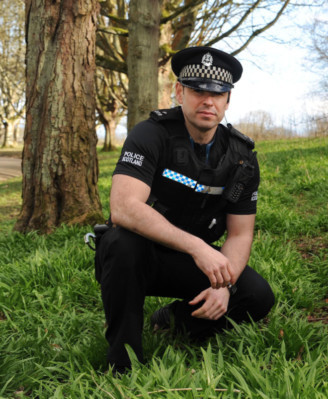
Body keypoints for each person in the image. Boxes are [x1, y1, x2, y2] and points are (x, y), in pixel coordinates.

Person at [94, 46, 275, 372]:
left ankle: (174, 322)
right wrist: (196, 247)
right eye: (198, 91)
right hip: (140, 256)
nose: (208, 101)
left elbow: (240, 234)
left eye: (218, 93)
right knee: (122, 243)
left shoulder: (242, 157)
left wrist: (226, 286)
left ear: (227, 101)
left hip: (194, 262)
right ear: (179, 92)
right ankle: (123, 361)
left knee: (257, 296)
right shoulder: (150, 134)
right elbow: (123, 207)